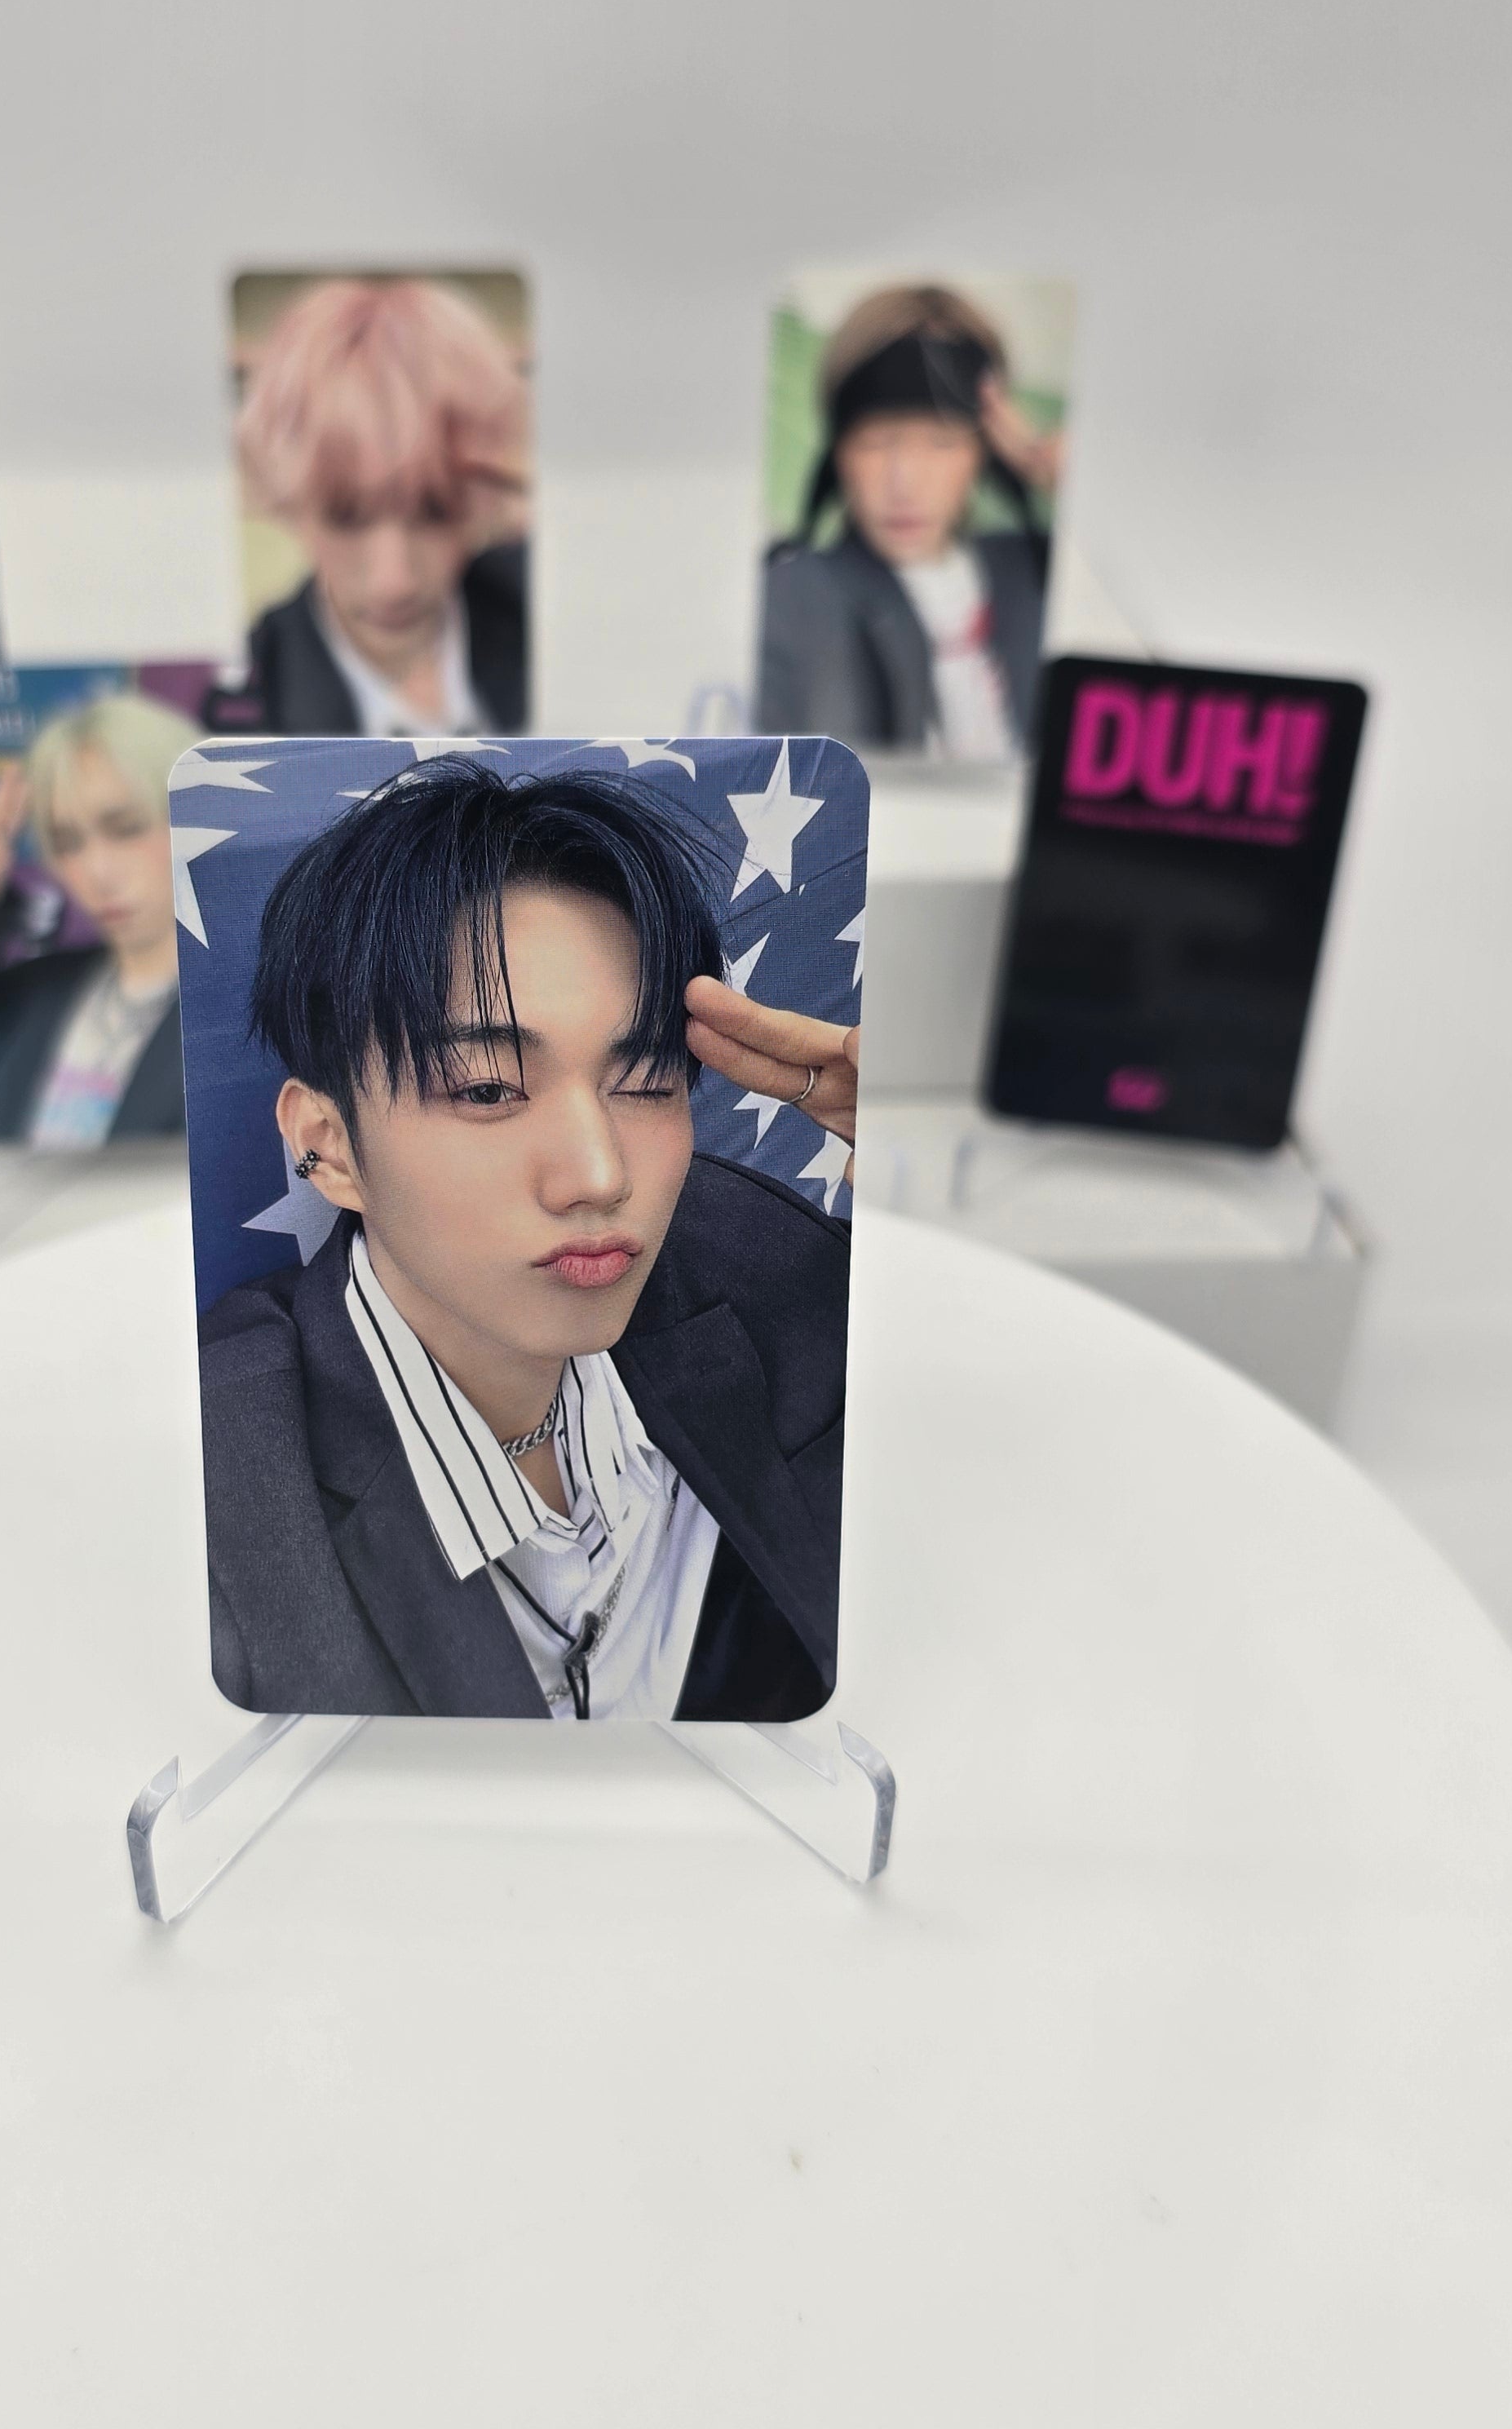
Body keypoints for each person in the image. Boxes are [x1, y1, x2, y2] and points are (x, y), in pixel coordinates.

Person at [197, 759, 862, 1723]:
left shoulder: (777, 1269)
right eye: (486, 1090)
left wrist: (925, 1227)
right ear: (326, 1146)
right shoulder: (220, 1497)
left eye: (646, 1080)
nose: (599, 1175)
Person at [208, 277, 530, 738]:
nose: (392, 582)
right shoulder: (240, 716)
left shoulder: (545, 608)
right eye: (346, 517)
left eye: (435, 511)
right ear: (290, 501)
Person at [756, 282, 1064, 759]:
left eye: (942, 441)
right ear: (838, 453)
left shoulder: (1037, 575)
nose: (905, 482)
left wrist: (1062, 479)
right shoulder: (793, 596)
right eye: (876, 441)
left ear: (985, 451)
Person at [0, 692, 193, 1148]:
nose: (98, 871)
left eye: (126, 829)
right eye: (68, 843)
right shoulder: (25, 996)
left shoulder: (259, 1017)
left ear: (195, 817)